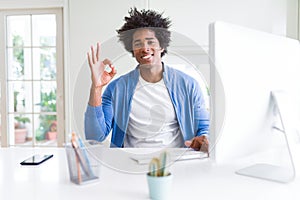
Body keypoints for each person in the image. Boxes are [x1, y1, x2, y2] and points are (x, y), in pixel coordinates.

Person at [85, 8, 209, 152]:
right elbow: (95, 136)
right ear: (132, 49)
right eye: (137, 44)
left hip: (174, 162)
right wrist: (96, 88)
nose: (144, 48)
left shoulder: (188, 84)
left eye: (150, 42)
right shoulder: (117, 88)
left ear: (161, 46)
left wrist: (203, 139)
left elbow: (203, 128)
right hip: (130, 162)